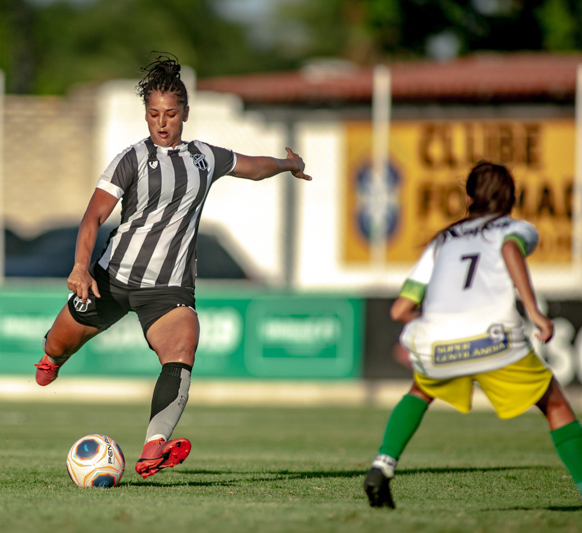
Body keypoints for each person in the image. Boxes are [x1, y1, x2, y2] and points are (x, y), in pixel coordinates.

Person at [34, 53, 312, 479]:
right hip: (112, 278)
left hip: (169, 291)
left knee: (181, 352)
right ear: (145, 116)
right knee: (57, 345)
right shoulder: (131, 159)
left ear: (185, 113)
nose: (161, 123)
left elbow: (254, 168)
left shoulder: (204, 157)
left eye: (170, 114)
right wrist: (80, 267)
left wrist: (289, 164)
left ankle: (152, 448)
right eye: (153, 115)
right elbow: (93, 216)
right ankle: (52, 358)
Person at [363, 161, 582, 508]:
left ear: (468, 197)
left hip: (438, 344)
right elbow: (510, 249)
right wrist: (534, 311)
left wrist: (441, 318)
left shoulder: (442, 239)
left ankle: (382, 465)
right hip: (493, 339)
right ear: (512, 197)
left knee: (420, 391)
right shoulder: (515, 227)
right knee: (554, 403)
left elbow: (399, 311)